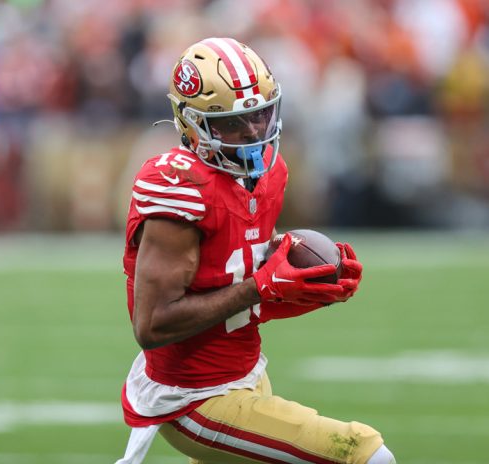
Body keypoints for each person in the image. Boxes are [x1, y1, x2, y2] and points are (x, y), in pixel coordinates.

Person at [116, 37, 396, 464]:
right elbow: (152, 324)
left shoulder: (269, 174)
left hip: (247, 373)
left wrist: (303, 283)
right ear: (192, 124)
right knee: (367, 455)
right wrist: (260, 286)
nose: (252, 132)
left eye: (260, 115)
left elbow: (237, 280)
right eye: (233, 123)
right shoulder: (181, 190)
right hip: (195, 398)